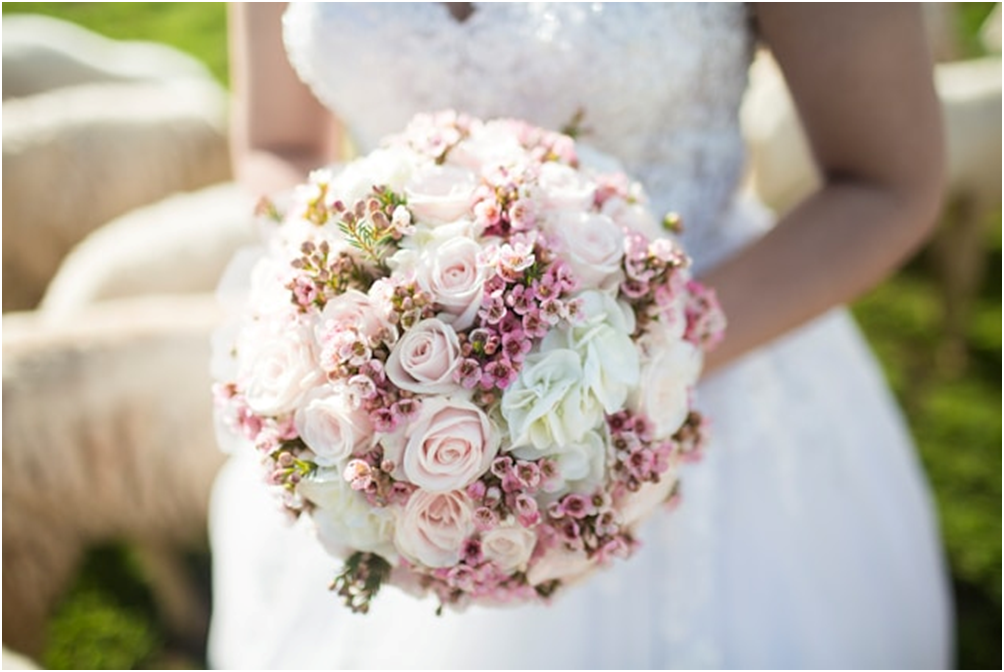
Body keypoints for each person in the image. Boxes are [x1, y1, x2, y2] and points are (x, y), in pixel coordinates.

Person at [209, 2, 954, 668]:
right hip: (376, 407)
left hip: (716, 357)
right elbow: (280, 142)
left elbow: (886, 181)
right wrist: (339, 312)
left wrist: (646, 356)